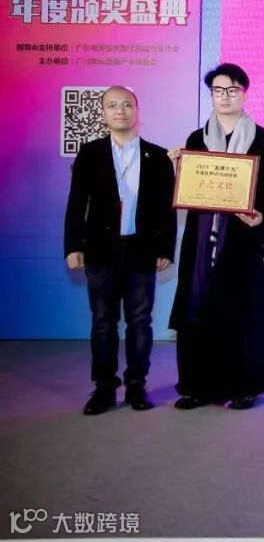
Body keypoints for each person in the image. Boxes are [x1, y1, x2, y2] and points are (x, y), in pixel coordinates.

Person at [169, 63, 264, 410]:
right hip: (203, 239)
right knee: (199, 307)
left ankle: (244, 386)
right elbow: (190, 184)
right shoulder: (196, 139)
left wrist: (263, 213)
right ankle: (197, 387)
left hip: (245, 238)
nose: (224, 97)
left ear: (244, 94)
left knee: (245, 310)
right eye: (218, 91)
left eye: (232, 90)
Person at [64, 86, 176, 415]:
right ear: (103, 113)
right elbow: (76, 203)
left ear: (137, 110)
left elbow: (167, 209)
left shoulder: (157, 156)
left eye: (127, 104)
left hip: (141, 250)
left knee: (140, 322)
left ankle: (136, 385)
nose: (120, 110)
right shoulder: (90, 153)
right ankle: (104, 387)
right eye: (112, 105)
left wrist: (166, 248)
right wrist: (73, 246)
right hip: (101, 251)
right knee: (103, 322)